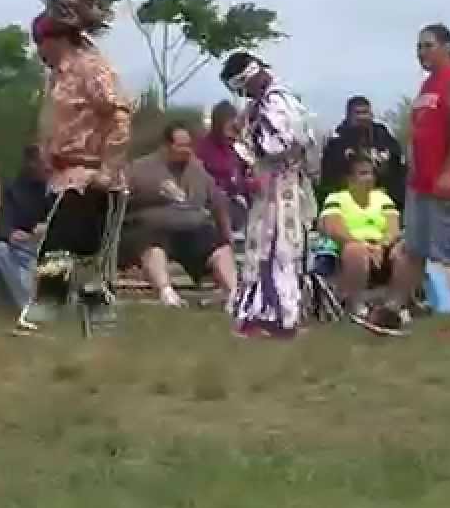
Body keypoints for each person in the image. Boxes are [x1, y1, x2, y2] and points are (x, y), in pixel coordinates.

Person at [22, 0, 132, 329]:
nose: (39, 53)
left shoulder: (91, 68)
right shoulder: (58, 76)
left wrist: (107, 170)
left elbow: (118, 116)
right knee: (87, 264)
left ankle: (39, 318)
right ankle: (102, 327)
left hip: (91, 180)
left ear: (54, 39)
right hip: (64, 177)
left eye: (40, 44)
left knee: (58, 249)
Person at [371, 24, 450, 335]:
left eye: (428, 45)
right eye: (419, 47)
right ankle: (392, 311)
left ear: (448, 47)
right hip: (421, 184)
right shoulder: (427, 86)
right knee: (414, 249)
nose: (421, 52)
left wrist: (449, 171)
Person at [221, 51, 317, 339]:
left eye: (243, 88)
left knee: (277, 249)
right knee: (266, 249)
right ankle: (266, 315)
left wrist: (247, 145)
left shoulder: (276, 103)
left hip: (279, 185)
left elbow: (283, 143)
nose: (243, 95)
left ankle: (276, 317)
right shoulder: (268, 102)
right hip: (274, 186)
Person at [124, 122, 238, 307]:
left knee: (218, 245)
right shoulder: (140, 168)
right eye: (181, 146)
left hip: (191, 228)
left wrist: (226, 233)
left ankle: (234, 292)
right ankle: (166, 292)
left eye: (189, 146)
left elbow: (217, 201)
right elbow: (121, 197)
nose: (186, 151)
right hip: (152, 228)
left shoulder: (198, 170)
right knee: (152, 244)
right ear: (166, 146)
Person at [318, 154, 402, 327]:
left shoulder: (383, 199)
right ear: (350, 179)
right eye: (363, 174)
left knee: (407, 250)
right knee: (356, 251)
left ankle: (394, 306)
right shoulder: (336, 199)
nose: (369, 178)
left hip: (381, 246)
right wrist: (364, 245)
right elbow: (334, 228)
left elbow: (393, 227)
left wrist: (381, 245)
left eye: (371, 173)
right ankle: (355, 304)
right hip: (349, 247)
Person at [0, 144, 52, 312]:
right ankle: (28, 306)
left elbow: (64, 220)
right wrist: (10, 233)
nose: (49, 167)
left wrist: (47, 226)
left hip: (44, 246)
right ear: (30, 163)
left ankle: (31, 306)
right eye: (44, 162)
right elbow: (2, 218)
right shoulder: (11, 187)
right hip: (18, 246)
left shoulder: (54, 188)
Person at [319, 95, 406, 208]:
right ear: (349, 116)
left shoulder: (383, 135)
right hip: (348, 201)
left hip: (382, 199)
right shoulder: (336, 141)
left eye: (365, 112)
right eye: (358, 113)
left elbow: (397, 165)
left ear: (371, 114)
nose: (362, 117)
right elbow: (328, 178)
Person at [196, 99, 254, 231]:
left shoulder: (236, 149)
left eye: (235, 129)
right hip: (213, 205)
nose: (232, 134)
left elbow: (240, 179)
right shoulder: (203, 149)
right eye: (229, 128)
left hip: (236, 202)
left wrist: (249, 183)